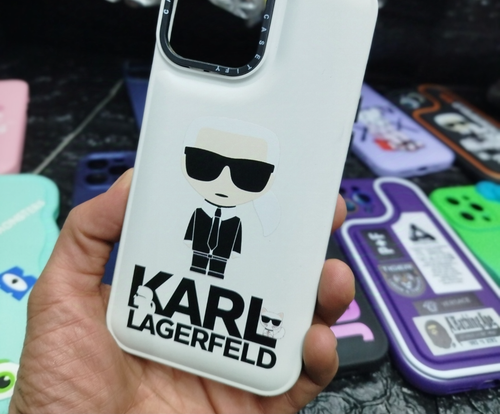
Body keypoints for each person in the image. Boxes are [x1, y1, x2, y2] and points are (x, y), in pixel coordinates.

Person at [9, 169, 353, 414]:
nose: (224, 181)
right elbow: (188, 238)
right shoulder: (197, 212)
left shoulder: (238, 221)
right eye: (203, 164)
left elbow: (236, 248)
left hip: (219, 275)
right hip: (187, 279)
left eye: (249, 174)